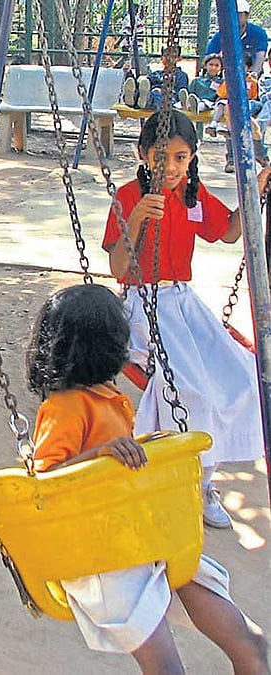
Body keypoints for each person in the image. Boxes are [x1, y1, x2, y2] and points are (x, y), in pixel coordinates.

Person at [28, 283, 269, 673]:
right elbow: (44, 481)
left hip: (144, 536)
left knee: (252, 643)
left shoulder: (108, 397)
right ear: (103, 347)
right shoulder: (66, 407)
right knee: (166, 668)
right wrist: (99, 455)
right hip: (105, 555)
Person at [102, 110, 270, 529]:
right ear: (143, 155)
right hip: (143, 303)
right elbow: (118, 267)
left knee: (242, 374)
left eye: (180, 158)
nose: (171, 168)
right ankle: (190, 481)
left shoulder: (193, 196)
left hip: (183, 302)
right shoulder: (127, 197)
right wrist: (139, 215)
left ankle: (206, 479)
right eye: (161, 157)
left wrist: (256, 188)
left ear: (191, 159)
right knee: (188, 386)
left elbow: (228, 232)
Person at [206, 55, 268, 172]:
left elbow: (256, 98)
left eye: (242, 66)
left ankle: (259, 155)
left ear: (248, 68)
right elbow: (222, 95)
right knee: (231, 121)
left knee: (241, 116)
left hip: (249, 107)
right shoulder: (230, 80)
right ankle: (231, 160)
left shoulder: (252, 81)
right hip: (231, 109)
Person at [206, 0, 267, 76]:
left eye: (239, 14)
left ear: (246, 15)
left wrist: (254, 75)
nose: (234, 17)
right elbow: (210, 56)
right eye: (232, 14)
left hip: (252, 73)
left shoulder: (258, 33)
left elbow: (260, 55)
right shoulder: (221, 34)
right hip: (228, 75)